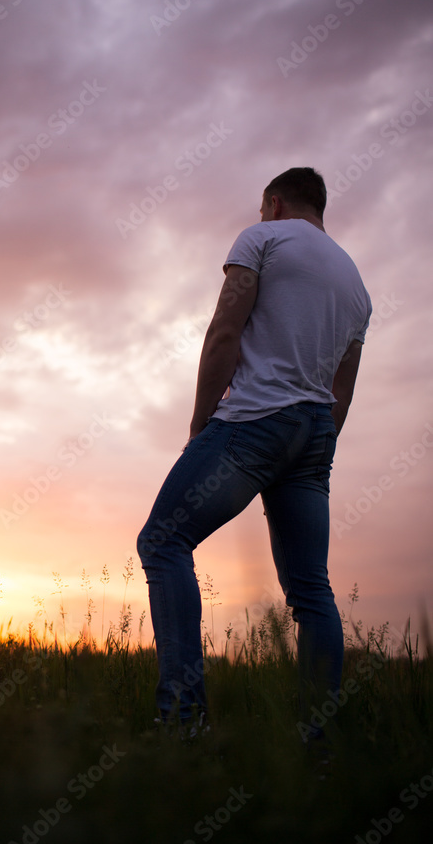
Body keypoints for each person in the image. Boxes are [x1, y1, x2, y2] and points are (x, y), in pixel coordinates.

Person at [136, 167, 372, 739]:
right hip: (315, 432)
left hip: (254, 421)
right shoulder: (356, 283)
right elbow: (344, 388)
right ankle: (319, 747)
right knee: (311, 589)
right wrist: (316, 452)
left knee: (163, 541)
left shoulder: (261, 238)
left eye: (264, 206)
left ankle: (184, 722)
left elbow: (224, 332)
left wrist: (200, 426)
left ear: (274, 201)